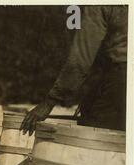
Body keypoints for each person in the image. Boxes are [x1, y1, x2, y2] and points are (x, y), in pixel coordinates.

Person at [20, 5, 128, 135]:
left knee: (94, 137)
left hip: (122, 81)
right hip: (117, 76)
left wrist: (49, 102)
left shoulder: (98, 6)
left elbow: (80, 60)